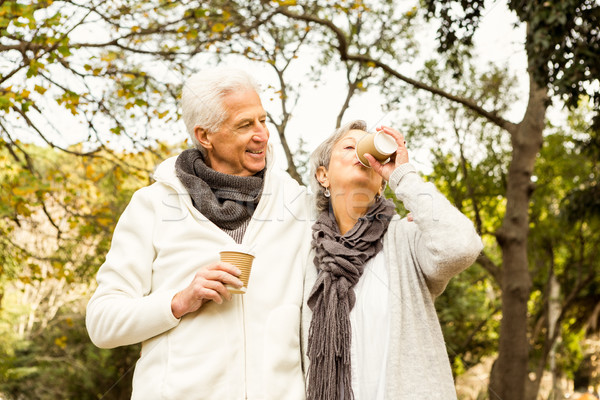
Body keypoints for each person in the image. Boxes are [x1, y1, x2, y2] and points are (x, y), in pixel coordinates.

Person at [86, 68, 313, 400]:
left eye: (263, 120)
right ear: (205, 136)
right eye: (245, 125)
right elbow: (102, 322)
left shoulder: (298, 205)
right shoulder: (152, 205)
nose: (262, 135)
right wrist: (178, 301)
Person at [301, 120, 483, 400]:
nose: (362, 154)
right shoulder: (306, 254)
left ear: (382, 184)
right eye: (350, 146)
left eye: (369, 148)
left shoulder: (407, 237)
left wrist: (403, 174)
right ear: (323, 176)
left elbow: (461, 246)